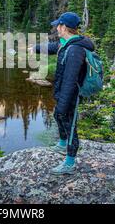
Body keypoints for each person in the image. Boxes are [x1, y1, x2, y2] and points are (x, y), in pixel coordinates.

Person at [35, 12, 95, 175]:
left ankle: (70, 163)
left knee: (69, 124)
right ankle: (61, 144)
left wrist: (63, 103)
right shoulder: (67, 43)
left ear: (64, 27)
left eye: (58, 26)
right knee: (58, 116)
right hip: (63, 91)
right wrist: (35, 48)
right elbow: (53, 47)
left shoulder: (75, 50)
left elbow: (70, 80)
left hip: (71, 94)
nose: (56, 28)